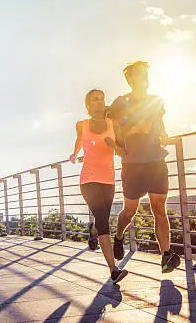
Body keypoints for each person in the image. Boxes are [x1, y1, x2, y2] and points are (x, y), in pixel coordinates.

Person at [107, 61, 181, 273]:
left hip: (156, 160)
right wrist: (130, 134)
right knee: (130, 211)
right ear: (130, 79)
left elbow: (160, 126)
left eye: (145, 74)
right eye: (139, 74)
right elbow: (115, 130)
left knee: (159, 208)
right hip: (133, 164)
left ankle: (166, 256)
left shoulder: (157, 100)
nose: (144, 78)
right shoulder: (121, 102)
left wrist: (166, 137)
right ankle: (119, 236)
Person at [70, 89, 128, 284]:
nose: (99, 102)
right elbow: (79, 141)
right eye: (94, 99)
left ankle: (93, 230)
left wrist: (113, 145)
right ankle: (113, 270)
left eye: (102, 99)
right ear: (88, 105)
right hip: (88, 180)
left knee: (101, 218)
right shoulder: (81, 125)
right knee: (103, 220)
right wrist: (74, 153)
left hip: (108, 180)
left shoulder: (113, 125)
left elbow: (122, 152)